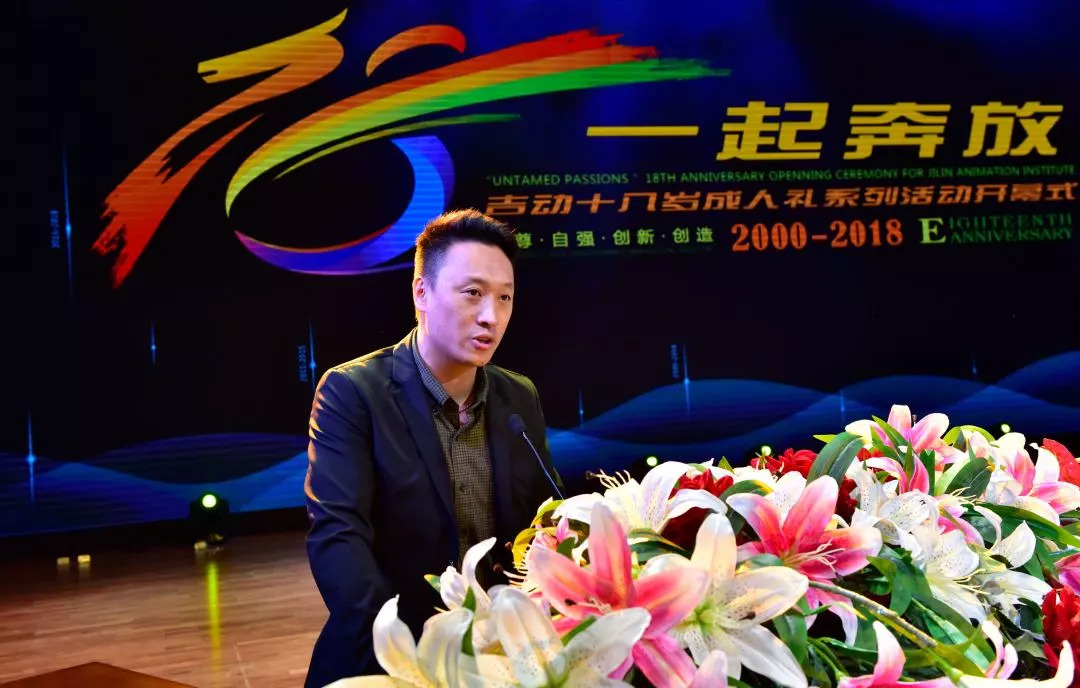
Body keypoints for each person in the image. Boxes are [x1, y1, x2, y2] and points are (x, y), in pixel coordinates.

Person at [302, 209, 563, 688]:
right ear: (421, 293)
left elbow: (545, 522)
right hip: (392, 659)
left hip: (504, 659)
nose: (491, 316)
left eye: (504, 297)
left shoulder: (518, 396)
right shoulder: (353, 392)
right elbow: (338, 536)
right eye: (473, 293)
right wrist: (407, 652)